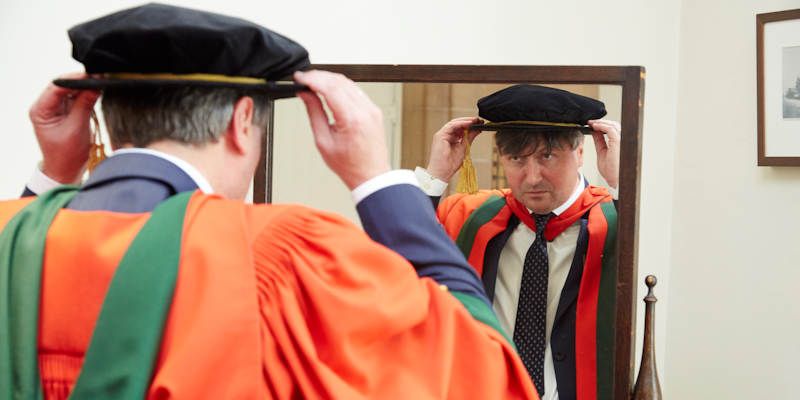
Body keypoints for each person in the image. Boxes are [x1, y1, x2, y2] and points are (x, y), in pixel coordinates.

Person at [0, 4, 537, 399]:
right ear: (241, 123)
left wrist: (51, 174)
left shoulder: (11, 235)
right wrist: (377, 180)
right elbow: (486, 371)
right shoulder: (279, 254)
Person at [415, 84, 621, 400]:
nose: (533, 176)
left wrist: (624, 181)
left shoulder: (614, 222)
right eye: (516, 158)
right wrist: (435, 176)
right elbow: (398, 261)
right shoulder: (470, 217)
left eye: (547, 156)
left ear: (580, 153)